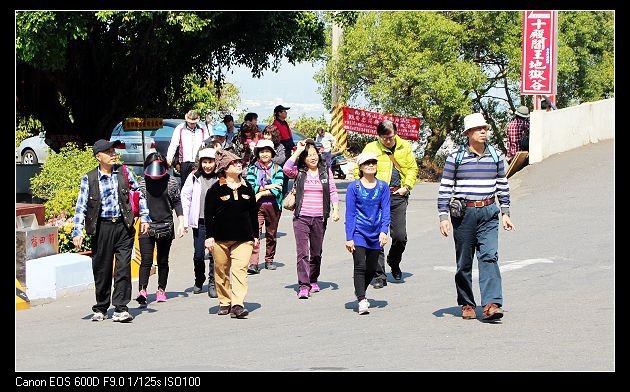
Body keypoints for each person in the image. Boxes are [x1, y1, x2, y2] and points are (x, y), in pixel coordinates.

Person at [437, 112, 515, 321]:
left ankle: (491, 303)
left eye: (485, 129)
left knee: (489, 256)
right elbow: (445, 187)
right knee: (464, 262)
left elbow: (502, 184)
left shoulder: (496, 155)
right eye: (479, 129)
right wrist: (443, 216)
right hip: (464, 214)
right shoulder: (456, 157)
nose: (483, 132)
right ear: (468, 133)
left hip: (489, 212)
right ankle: (466, 303)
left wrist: (505, 212)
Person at [72, 139, 150, 322]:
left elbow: (139, 194)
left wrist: (145, 217)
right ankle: (101, 306)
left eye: (114, 150)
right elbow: (81, 206)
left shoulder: (124, 172)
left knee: (123, 267)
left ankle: (121, 308)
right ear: (99, 157)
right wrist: (78, 230)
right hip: (102, 228)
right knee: (102, 268)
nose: (113, 154)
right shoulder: (89, 178)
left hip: (124, 226)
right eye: (108, 151)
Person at [355, 120, 418, 289]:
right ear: (379, 136)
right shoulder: (371, 148)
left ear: (395, 133)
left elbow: (412, 168)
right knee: (377, 235)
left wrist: (407, 186)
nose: (388, 141)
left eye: (390, 137)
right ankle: (379, 275)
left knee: (399, 236)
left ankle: (394, 261)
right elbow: (358, 169)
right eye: (384, 138)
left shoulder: (405, 146)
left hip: (398, 195)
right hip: (376, 197)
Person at [204, 150, 259, 318]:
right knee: (221, 271)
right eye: (234, 163)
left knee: (240, 269)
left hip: (243, 238)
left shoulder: (247, 187)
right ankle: (224, 301)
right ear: (225, 168)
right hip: (220, 238)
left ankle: (237, 304)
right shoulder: (215, 189)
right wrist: (209, 236)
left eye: (239, 162)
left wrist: (255, 235)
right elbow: (208, 214)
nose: (238, 165)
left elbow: (252, 214)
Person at [283, 139, 340, 299]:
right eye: (309, 156)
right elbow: (286, 169)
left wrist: (335, 210)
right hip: (301, 217)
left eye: (314, 154)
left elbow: (333, 191)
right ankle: (303, 285)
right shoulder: (300, 171)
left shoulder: (325, 171)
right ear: (304, 158)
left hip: (320, 218)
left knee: (316, 252)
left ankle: (313, 279)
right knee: (302, 252)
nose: (312, 158)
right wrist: (298, 151)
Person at [135, 152, 185, 305]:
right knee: (146, 260)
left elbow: (177, 202)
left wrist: (181, 223)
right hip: (146, 225)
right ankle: (142, 291)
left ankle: (161, 289)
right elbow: (137, 205)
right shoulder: (142, 183)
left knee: (163, 260)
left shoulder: (171, 182)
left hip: (165, 225)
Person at [345, 152, 390, 315]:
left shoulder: (383, 187)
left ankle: (359, 290)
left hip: (376, 232)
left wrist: (384, 231)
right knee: (360, 265)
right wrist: (349, 237)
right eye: (367, 163)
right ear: (361, 167)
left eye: (373, 163)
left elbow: (385, 209)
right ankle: (362, 299)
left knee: (372, 267)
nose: (371, 165)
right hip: (358, 231)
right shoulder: (354, 187)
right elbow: (350, 213)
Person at [181, 148, 219, 297]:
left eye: (210, 162)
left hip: (216, 222)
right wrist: (184, 217)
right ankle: (199, 278)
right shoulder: (194, 176)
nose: (208, 165)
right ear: (200, 163)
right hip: (200, 221)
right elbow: (185, 196)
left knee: (214, 254)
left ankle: (212, 282)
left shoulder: (220, 177)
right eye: (205, 162)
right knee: (198, 254)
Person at [246, 139, 285, 274]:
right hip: (256, 207)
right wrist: (268, 186)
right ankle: (253, 263)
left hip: (273, 205)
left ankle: (269, 259)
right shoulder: (252, 169)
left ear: (272, 153)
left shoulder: (277, 169)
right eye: (262, 151)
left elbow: (278, 188)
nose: (265, 154)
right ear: (258, 153)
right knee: (255, 233)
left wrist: (261, 192)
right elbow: (251, 187)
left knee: (271, 234)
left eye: (267, 151)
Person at [166, 109, 208, 188]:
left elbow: (207, 143)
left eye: (194, 123)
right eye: (190, 122)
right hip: (185, 162)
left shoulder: (202, 129)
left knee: (198, 185)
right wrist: (169, 158)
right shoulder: (180, 128)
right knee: (185, 185)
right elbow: (173, 144)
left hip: (199, 161)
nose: (192, 124)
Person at [272, 105, 295, 195]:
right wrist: (292, 146)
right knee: (281, 172)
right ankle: (279, 192)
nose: (286, 112)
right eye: (284, 111)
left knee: (285, 173)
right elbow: (283, 139)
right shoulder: (276, 124)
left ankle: (284, 192)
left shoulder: (284, 123)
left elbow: (289, 137)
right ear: (279, 113)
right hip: (281, 152)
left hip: (287, 151)